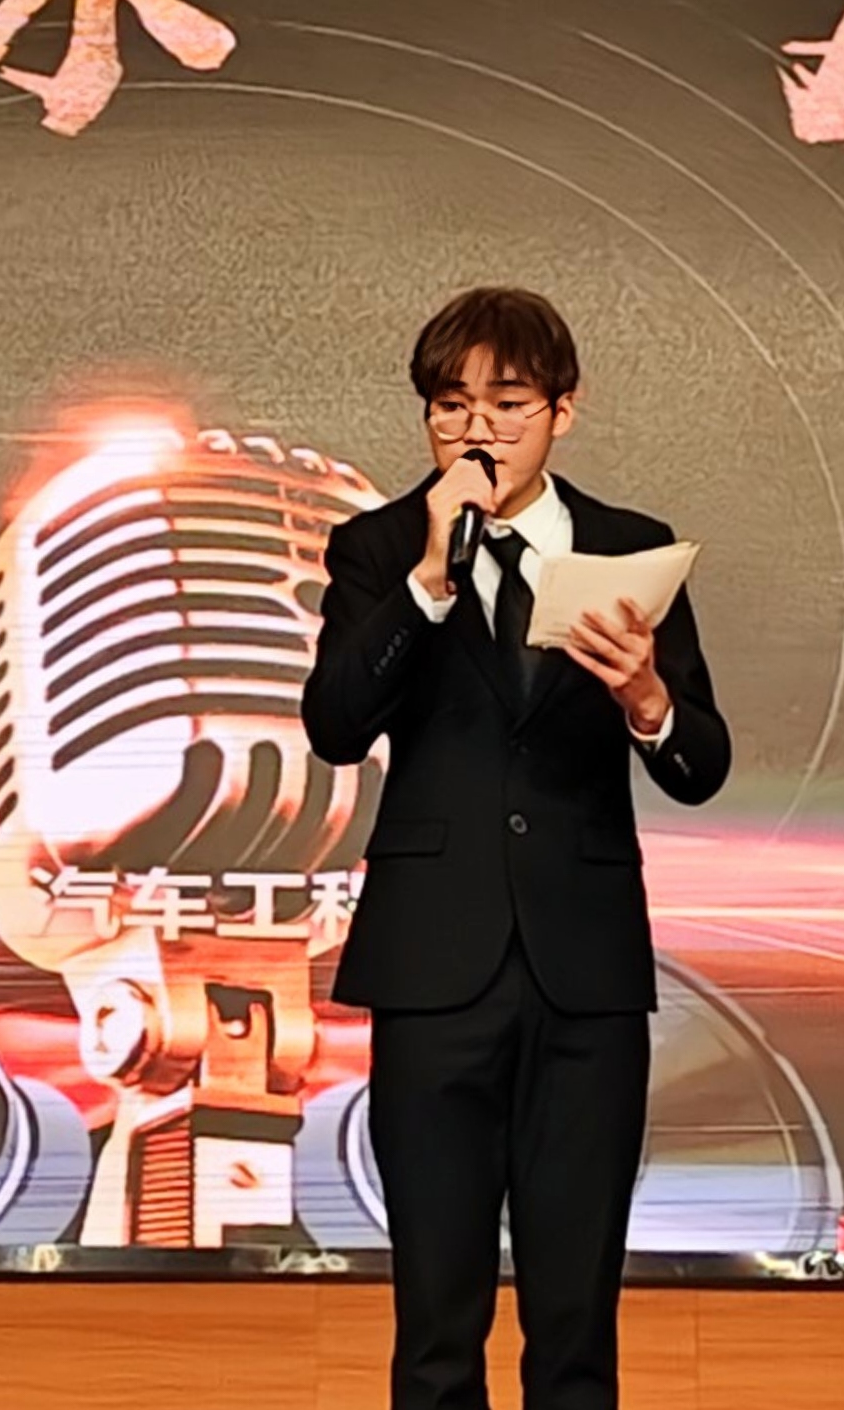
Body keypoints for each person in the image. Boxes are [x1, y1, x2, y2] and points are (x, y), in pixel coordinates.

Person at [300, 285, 735, 1410]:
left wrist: (647, 699)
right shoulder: (379, 547)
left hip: (583, 974)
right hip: (433, 966)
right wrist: (427, 585)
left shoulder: (630, 549)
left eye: (506, 404)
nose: (476, 431)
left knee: (576, 1319)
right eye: (450, 407)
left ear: (562, 411)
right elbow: (335, 725)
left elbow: (701, 764)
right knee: (436, 1322)